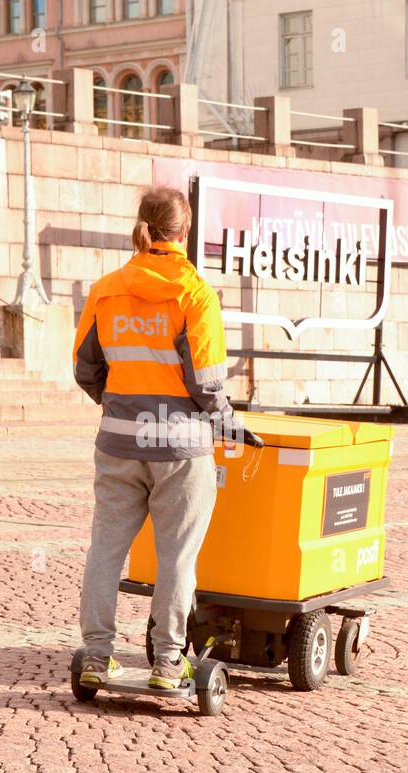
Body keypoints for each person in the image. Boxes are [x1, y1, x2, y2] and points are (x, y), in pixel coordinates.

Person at [72, 186, 256, 690]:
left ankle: (96, 654)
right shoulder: (194, 294)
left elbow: (85, 368)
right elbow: (206, 382)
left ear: (144, 227)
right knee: (177, 555)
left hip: (118, 444)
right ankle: (168, 661)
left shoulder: (107, 289)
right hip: (179, 446)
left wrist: (120, 406)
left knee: (105, 549)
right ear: (185, 232)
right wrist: (229, 423)